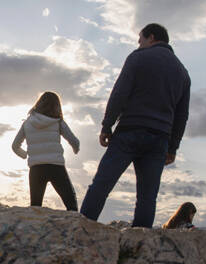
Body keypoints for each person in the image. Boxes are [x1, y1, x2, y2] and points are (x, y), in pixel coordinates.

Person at [80, 23, 191, 228]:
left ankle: (82, 231)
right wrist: (173, 147)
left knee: (102, 185)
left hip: (129, 131)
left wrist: (107, 125)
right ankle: (139, 244)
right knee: (147, 198)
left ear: (151, 37)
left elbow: (120, 93)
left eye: (140, 40)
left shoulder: (138, 57)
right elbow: (182, 115)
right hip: (159, 139)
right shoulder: (183, 73)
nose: (139, 44)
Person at [12, 91, 80, 211]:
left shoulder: (27, 123)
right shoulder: (58, 122)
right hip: (56, 167)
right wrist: (76, 148)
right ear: (56, 106)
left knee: (35, 206)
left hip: (36, 168)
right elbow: (74, 140)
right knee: (71, 203)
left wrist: (24, 155)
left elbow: (15, 146)